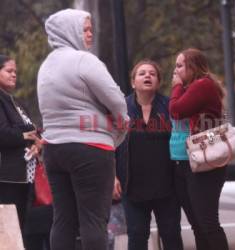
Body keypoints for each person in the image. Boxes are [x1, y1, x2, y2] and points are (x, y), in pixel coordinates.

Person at [37, 9, 129, 250]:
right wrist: (121, 125)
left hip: (54, 150)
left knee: (63, 220)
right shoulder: (83, 60)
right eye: (84, 29)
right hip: (90, 149)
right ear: (70, 31)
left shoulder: (45, 66)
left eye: (90, 29)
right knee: (93, 220)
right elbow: (117, 100)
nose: (90, 35)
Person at [115, 59, 183, 250]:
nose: (147, 76)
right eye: (142, 73)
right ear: (133, 82)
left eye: (152, 74)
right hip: (132, 186)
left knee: (171, 236)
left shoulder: (170, 106)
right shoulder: (121, 108)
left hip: (167, 187)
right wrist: (112, 176)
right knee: (136, 237)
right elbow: (110, 144)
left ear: (158, 82)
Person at [169, 48, 229, 250]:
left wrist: (176, 87)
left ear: (192, 67)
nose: (175, 71)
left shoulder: (202, 85)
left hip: (205, 160)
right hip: (190, 160)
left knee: (208, 223)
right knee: (199, 225)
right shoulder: (196, 86)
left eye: (179, 66)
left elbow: (176, 111)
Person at [0, 55, 40, 233]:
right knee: (8, 230)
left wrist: (36, 144)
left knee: (20, 229)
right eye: (9, 71)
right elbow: (3, 134)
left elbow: (33, 130)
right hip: (6, 177)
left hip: (24, 176)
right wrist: (26, 133)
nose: (14, 75)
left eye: (15, 71)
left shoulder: (14, 101)